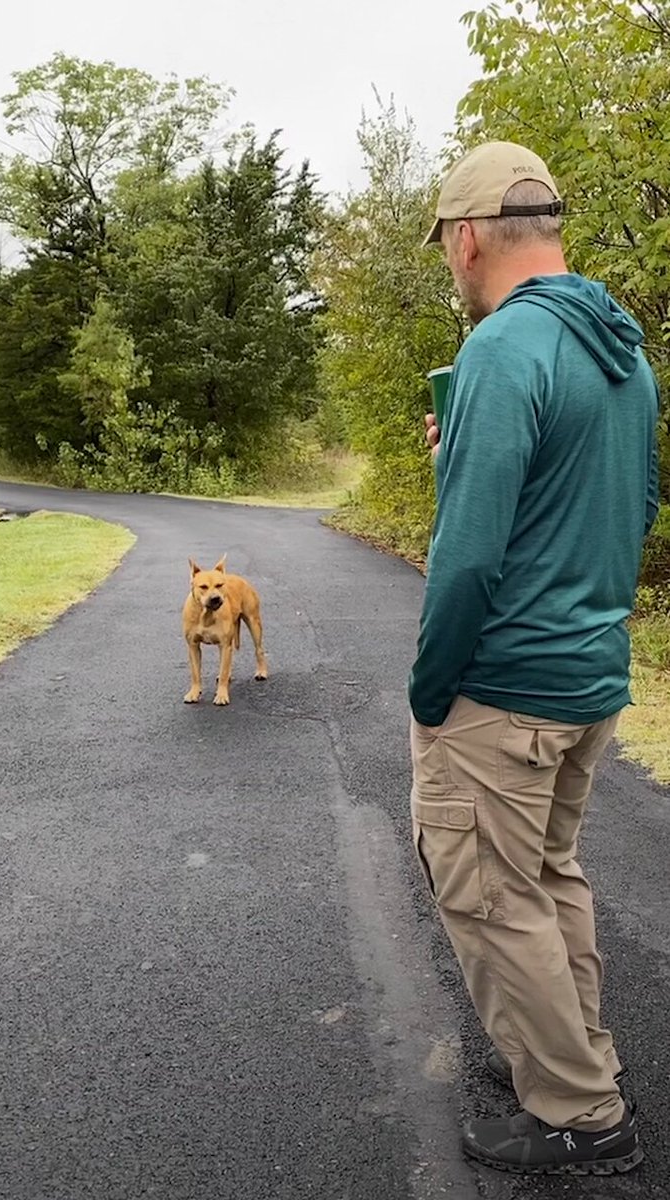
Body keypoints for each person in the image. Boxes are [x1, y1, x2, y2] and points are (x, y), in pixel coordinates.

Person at [409, 140, 659, 1176]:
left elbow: (470, 557)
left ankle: (579, 1119)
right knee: (548, 880)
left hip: (505, 694)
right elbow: (627, 507)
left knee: (491, 899)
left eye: (444, 249)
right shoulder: (622, 349)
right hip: (590, 675)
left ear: (468, 237)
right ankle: (579, 1064)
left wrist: (433, 691)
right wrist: (457, 457)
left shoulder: (505, 349)